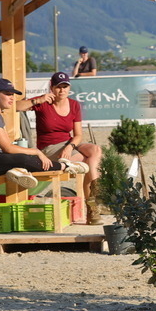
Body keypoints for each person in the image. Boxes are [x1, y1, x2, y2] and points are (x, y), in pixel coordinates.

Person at [0, 77, 89, 188]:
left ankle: (20, 170)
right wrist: (37, 152)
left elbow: (5, 147)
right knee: (24, 158)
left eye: (13, 95)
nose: (12, 98)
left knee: (23, 158)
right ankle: (63, 166)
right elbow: (7, 148)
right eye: (8, 94)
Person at [18, 72, 103, 224]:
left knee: (95, 150)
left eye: (65, 87)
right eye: (58, 87)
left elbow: (78, 135)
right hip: (48, 148)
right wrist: (38, 99)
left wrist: (70, 147)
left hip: (68, 145)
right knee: (88, 162)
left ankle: (96, 187)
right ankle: (93, 209)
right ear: (52, 87)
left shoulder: (74, 104)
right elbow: (16, 107)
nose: (62, 90)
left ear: (69, 88)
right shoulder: (43, 103)